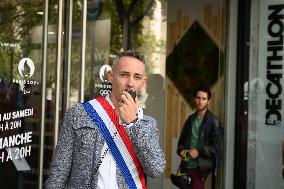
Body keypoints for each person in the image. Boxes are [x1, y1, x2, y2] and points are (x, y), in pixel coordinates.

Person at [45, 50, 166, 189]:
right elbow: (59, 172)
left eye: (137, 77)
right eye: (124, 75)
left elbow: (156, 169)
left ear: (143, 83)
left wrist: (133, 124)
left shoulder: (147, 124)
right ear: (111, 76)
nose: (130, 83)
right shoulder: (79, 113)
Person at [176, 87, 223, 189]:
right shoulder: (190, 120)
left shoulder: (214, 122)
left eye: (204, 98)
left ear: (208, 101)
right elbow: (181, 143)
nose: (200, 101)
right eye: (198, 98)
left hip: (201, 169)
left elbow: (216, 149)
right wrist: (182, 151)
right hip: (186, 167)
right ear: (194, 99)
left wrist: (199, 151)